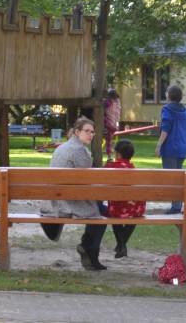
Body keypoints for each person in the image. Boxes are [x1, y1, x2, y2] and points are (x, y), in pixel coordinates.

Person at [39, 116, 109, 270]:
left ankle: (87, 246)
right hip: (66, 203)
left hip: (55, 199)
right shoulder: (79, 150)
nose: (90, 134)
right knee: (102, 214)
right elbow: (87, 181)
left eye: (92, 132)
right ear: (77, 132)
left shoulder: (62, 147)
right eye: (87, 131)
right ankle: (90, 249)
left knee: (99, 208)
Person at [155, 84, 186, 214]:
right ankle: (177, 205)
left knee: (172, 178)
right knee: (178, 178)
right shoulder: (185, 110)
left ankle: (176, 207)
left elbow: (166, 129)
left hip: (170, 148)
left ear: (169, 96)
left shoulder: (167, 109)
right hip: (182, 147)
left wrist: (158, 145)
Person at [105, 139, 144, 258]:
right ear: (132, 155)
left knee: (114, 215)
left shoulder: (110, 167)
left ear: (117, 153)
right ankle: (121, 246)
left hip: (117, 208)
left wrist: (107, 164)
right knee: (134, 217)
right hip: (136, 209)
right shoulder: (133, 168)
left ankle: (122, 246)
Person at [103, 88, 122, 161]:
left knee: (100, 117)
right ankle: (109, 156)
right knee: (109, 141)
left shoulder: (109, 102)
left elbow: (103, 103)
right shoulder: (118, 102)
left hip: (110, 124)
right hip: (115, 125)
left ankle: (109, 156)